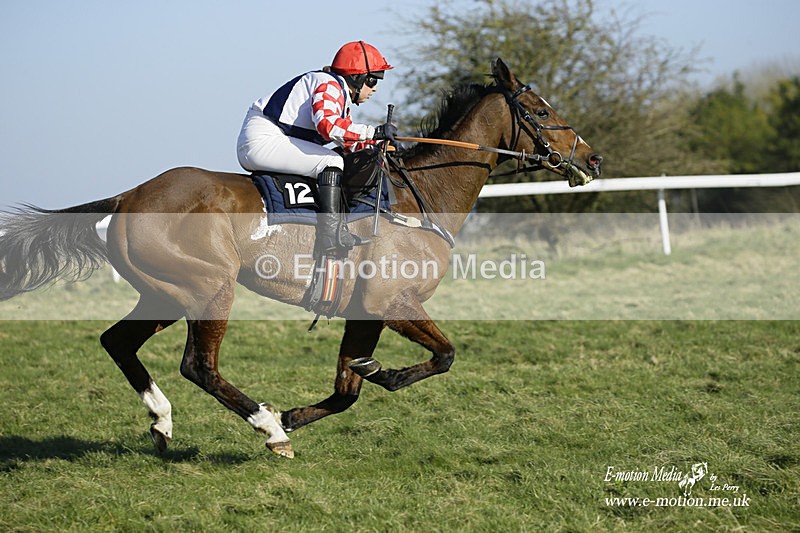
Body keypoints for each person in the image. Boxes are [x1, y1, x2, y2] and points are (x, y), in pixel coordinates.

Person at [237, 41, 397, 254]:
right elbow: (328, 126)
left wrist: (379, 144)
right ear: (356, 77)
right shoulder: (329, 85)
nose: (374, 88)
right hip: (261, 139)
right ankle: (330, 235)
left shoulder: (340, 96)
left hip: (272, 138)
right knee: (332, 161)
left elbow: (347, 141)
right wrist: (373, 132)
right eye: (372, 80)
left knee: (336, 157)